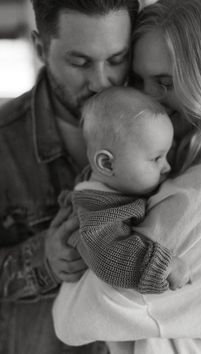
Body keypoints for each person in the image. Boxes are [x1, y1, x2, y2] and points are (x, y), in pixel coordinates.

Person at [52, 0, 201, 353]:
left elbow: (73, 318)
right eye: (139, 79)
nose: (148, 98)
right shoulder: (172, 165)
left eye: (165, 82)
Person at [0, 1, 140, 353]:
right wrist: (41, 260)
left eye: (117, 59)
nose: (101, 81)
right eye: (80, 62)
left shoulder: (164, 125)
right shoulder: (4, 140)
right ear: (39, 47)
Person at [54, 86, 190, 302]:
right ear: (107, 163)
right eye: (156, 158)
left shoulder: (106, 182)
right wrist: (160, 267)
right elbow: (107, 256)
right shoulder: (98, 210)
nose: (167, 167)